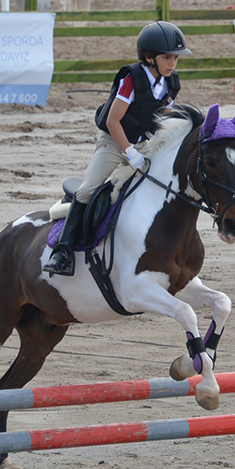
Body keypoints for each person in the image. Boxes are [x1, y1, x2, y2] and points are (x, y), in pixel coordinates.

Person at [45, 21, 191, 277]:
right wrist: (129, 152)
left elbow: (162, 118)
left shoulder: (170, 83)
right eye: (167, 57)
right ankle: (63, 250)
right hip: (115, 141)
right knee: (88, 189)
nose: (172, 64)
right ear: (149, 57)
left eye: (175, 58)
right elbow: (113, 121)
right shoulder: (130, 80)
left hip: (144, 142)